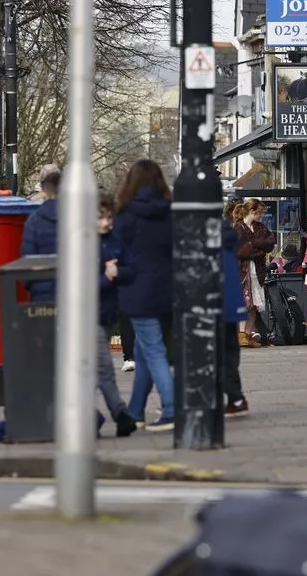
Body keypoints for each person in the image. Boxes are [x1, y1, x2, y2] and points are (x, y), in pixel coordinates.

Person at [113, 159, 175, 432]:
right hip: (166, 290)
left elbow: (117, 254)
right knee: (143, 349)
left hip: (137, 291)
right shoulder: (171, 212)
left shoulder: (125, 215)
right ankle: (136, 411)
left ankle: (172, 408)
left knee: (152, 350)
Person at [96, 195, 137, 437]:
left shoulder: (115, 241)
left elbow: (131, 270)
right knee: (102, 368)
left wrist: (118, 272)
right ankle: (121, 415)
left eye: (109, 217)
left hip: (107, 312)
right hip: (86, 315)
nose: (106, 222)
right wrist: (107, 277)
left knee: (96, 369)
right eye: (101, 218)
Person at [234, 199, 275, 348]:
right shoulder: (238, 228)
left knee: (255, 305)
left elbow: (270, 243)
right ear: (252, 211)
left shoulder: (260, 228)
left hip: (257, 271)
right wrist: (257, 249)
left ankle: (249, 334)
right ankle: (241, 334)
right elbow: (239, 251)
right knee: (245, 303)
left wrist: (254, 244)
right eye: (259, 213)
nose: (261, 216)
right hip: (242, 271)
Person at [221, 203, 249, 418]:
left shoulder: (194, 231)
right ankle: (235, 397)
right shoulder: (226, 231)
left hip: (209, 301)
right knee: (229, 349)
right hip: (229, 299)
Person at [20, 167, 60, 303]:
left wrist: (32, 286)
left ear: (43, 188)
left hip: (42, 295)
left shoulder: (33, 220)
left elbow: (27, 260)